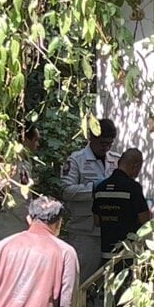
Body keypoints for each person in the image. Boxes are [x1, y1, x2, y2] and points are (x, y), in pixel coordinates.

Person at [93, 148, 153, 307]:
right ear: (135, 165)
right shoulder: (133, 188)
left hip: (106, 251)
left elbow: (96, 220)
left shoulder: (101, 187)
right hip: (128, 254)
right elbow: (145, 220)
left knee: (110, 296)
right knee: (127, 297)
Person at [59, 117, 116, 286]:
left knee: (107, 282)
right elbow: (66, 191)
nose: (106, 147)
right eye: (102, 143)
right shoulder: (76, 160)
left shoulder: (117, 159)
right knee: (81, 281)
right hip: (84, 231)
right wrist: (93, 189)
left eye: (110, 143)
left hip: (110, 229)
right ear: (92, 138)